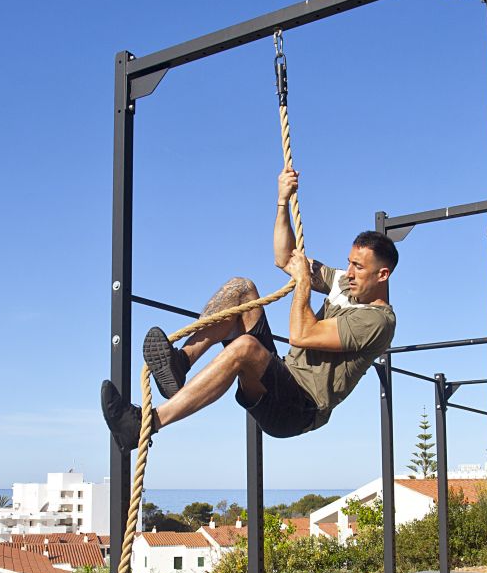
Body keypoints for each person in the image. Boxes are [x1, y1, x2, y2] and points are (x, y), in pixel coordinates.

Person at [101, 166, 397, 449]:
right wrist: (282, 202)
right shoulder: (343, 282)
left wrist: (304, 284)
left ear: (382, 275)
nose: (349, 272)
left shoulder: (378, 322)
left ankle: (145, 425)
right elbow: (284, 258)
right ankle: (181, 362)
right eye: (349, 262)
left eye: (358, 267)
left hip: (300, 408)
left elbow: (302, 335)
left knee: (245, 348)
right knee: (241, 289)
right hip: (283, 375)